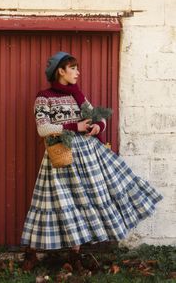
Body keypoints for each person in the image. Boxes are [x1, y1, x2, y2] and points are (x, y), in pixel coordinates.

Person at [20, 51, 163, 269]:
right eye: (73, 68)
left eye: (77, 68)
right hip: (62, 156)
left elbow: (98, 116)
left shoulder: (77, 95)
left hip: (87, 156)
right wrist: (73, 126)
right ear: (60, 71)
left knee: (82, 201)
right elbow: (43, 128)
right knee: (51, 201)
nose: (78, 72)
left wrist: (98, 126)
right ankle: (31, 252)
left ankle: (75, 254)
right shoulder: (44, 97)